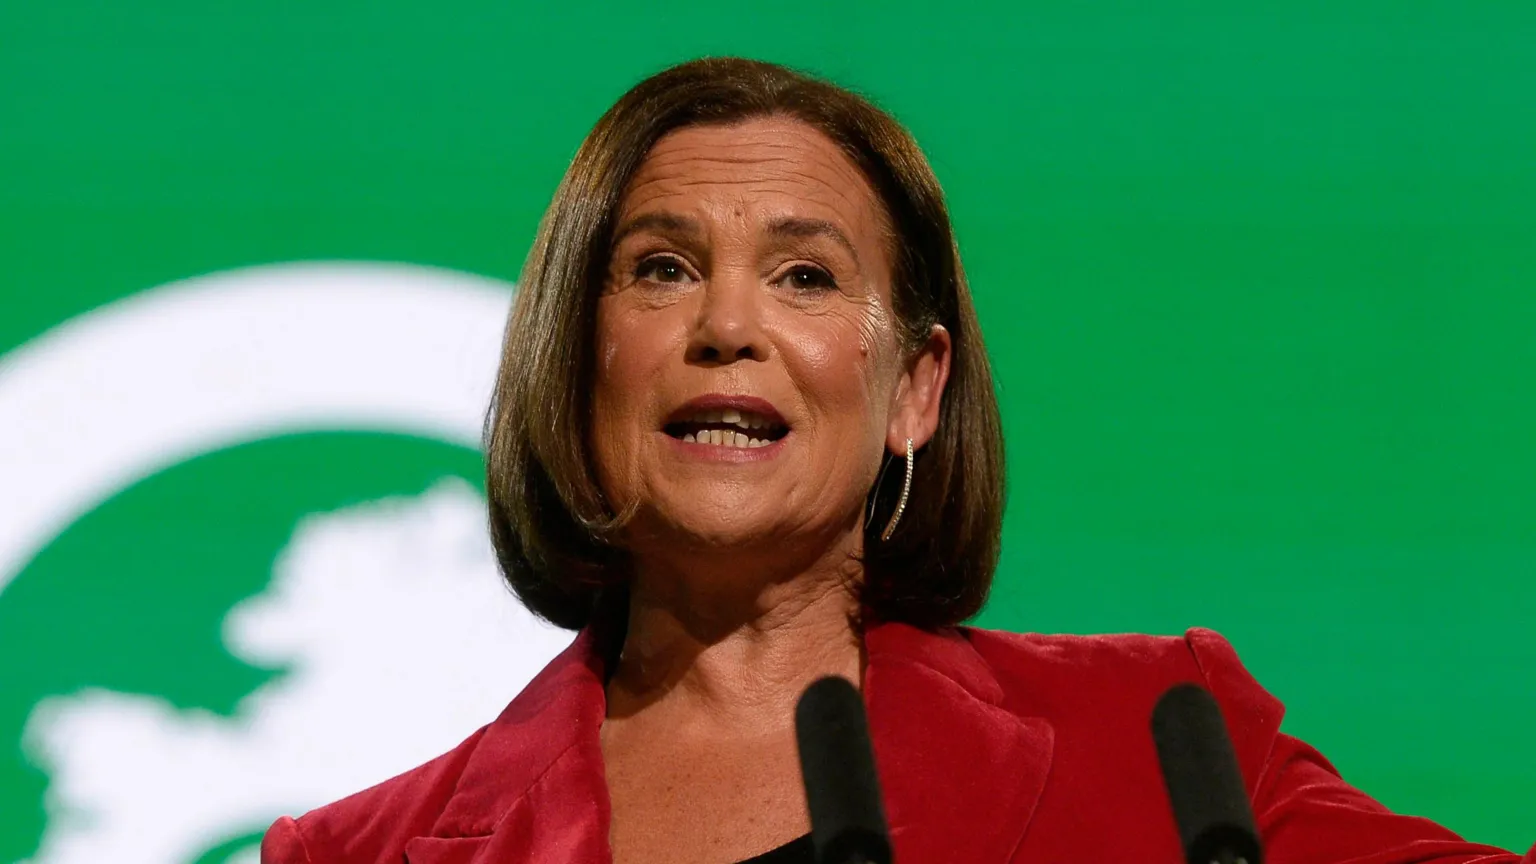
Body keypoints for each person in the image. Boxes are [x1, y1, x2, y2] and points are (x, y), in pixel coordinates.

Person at [260, 57, 1532, 864]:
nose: (726, 326)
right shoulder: (361, 853)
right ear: (576, 363)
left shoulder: (1160, 744)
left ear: (913, 389)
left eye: (806, 276)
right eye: (661, 269)